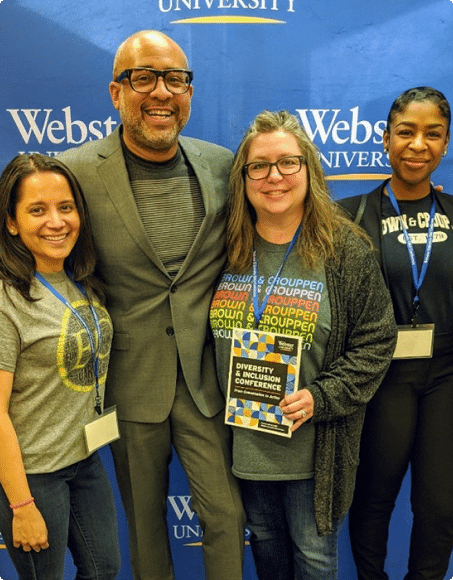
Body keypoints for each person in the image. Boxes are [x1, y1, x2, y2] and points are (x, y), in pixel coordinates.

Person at [57, 30, 245, 580]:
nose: (161, 92)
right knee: (143, 525)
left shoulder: (221, 165)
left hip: (207, 380)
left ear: (189, 92)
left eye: (176, 79)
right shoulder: (74, 171)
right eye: (144, 78)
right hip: (129, 382)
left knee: (227, 517)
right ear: (117, 92)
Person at [209, 110, 397, 580]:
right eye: (259, 166)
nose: (274, 176)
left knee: (314, 563)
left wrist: (320, 397)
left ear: (309, 170)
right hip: (245, 450)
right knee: (269, 562)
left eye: (288, 163)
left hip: (315, 451)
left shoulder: (344, 249)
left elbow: (376, 341)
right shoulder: (223, 247)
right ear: (243, 177)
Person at [340, 87, 453, 580]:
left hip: (447, 375)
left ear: (445, 145)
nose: (418, 145)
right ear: (385, 140)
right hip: (380, 375)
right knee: (374, 499)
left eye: (433, 134)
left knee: (440, 506)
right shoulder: (350, 216)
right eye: (406, 132)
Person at [0, 153, 120, 579]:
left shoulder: (79, 280)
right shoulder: (6, 299)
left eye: (65, 207)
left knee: (105, 569)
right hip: (33, 475)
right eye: (37, 210)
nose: (56, 221)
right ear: (12, 222)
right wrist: (21, 505)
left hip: (84, 459)